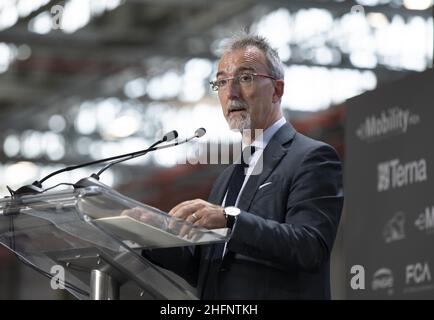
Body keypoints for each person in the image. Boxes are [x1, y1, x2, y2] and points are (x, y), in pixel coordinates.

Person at [142, 34, 343, 299]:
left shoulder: (312, 157)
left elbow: (310, 247)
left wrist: (230, 221)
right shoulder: (228, 178)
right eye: (222, 81)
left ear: (277, 90)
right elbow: (207, 268)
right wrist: (150, 234)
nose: (231, 92)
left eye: (245, 77)